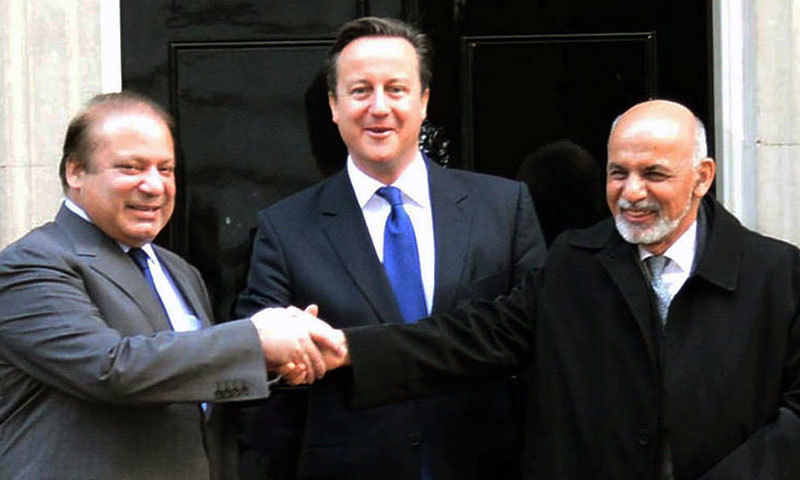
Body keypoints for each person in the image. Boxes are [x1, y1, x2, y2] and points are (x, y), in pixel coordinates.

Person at [314, 99, 800, 479]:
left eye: (654, 174)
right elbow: (475, 337)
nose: (631, 192)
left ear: (702, 178)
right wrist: (346, 349)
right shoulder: (574, 263)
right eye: (618, 172)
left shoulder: (777, 275)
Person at [235, 16, 547, 480]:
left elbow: (535, 337)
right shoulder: (284, 229)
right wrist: (282, 356)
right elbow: (261, 382)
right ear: (334, 106)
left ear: (423, 102)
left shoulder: (503, 208)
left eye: (396, 89)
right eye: (360, 91)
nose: (378, 108)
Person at [0, 92, 340, 480]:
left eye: (166, 169)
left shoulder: (177, 270)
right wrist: (255, 341)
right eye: (131, 167)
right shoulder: (31, 264)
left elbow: (192, 379)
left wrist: (270, 361)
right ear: (75, 172)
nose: (154, 186)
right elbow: (111, 370)